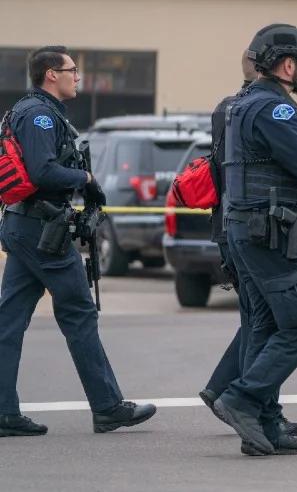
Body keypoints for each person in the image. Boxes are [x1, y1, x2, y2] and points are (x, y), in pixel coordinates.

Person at [0, 46, 157, 437]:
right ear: (51, 74)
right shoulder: (38, 114)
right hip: (41, 232)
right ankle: (107, 407)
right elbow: (42, 171)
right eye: (72, 70)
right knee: (79, 313)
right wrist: (85, 180)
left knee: (9, 321)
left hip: (27, 227)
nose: (77, 77)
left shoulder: (36, 110)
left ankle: (4, 412)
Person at [213, 24, 297, 456]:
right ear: (288, 65)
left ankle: (264, 426)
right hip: (271, 231)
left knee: (267, 325)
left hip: (248, 229)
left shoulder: (245, 103)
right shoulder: (275, 109)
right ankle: (243, 399)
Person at [198, 47, 297, 439]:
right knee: (266, 321)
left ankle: (237, 397)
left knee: (260, 320)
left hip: (232, 223)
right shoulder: (257, 110)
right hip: (256, 224)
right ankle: (247, 404)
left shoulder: (229, 108)